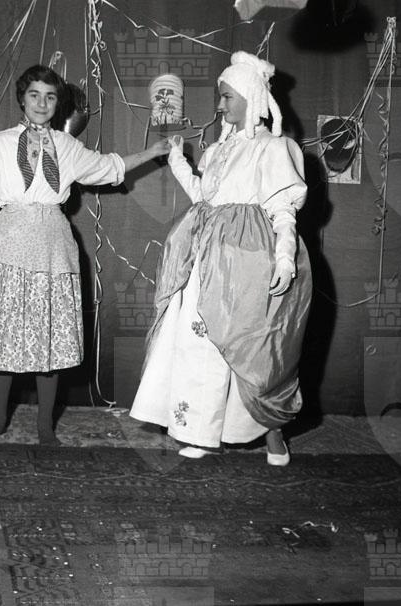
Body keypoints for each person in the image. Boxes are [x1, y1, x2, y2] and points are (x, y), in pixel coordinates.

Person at [0, 64, 170, 446]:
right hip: (6, 246)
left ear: (58, 104)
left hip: (53, 250)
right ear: (22, 99)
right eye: (34, 95)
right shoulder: (0, 144)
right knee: (4, 338)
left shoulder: (67, 147)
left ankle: (45, 427)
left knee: (49, 340)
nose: (42, 103)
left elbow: (108, 167)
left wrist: (152, 152)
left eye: (50, 97)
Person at [129, 51, 312, 465]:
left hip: (247, 260)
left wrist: (285, 258)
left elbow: (283, 209)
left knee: (251, 349)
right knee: (198, 342)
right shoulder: (216, 151)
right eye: (220, 96)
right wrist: (178, 161)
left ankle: (272, 431)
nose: (220, 104)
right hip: (204, 258)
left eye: (227, 96)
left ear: (251, 97)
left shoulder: (273, 149)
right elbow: (204, 198)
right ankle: (200, 431)